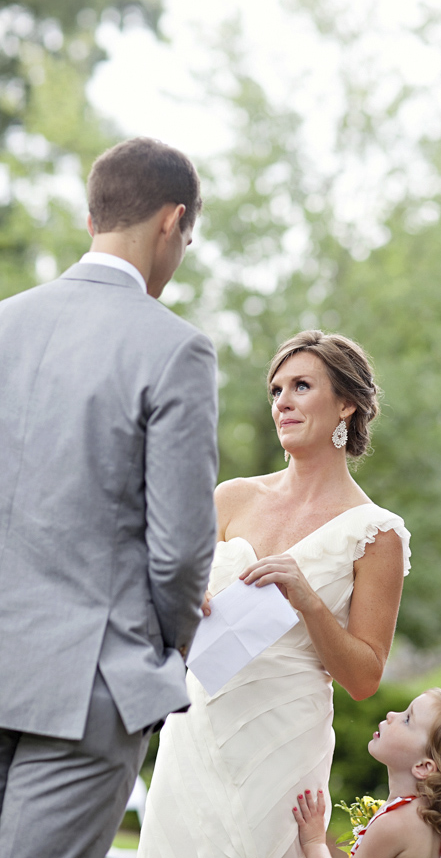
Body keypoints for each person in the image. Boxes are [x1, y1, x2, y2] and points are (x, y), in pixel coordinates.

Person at [0, 137, 219, 858]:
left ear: (93, 217)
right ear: (171, 221)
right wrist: (157, 656)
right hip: (92, 683)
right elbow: (182, 548)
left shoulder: (5, 323)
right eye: (187, 238)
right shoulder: (174, 348)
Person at [139, 329, 411, 858]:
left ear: (347, 406)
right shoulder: (231, 498)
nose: (282, 402)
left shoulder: (377, 534)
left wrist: (308, 601)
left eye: (302, 386)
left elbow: (364, 677)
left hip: (284, 744)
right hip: (196, 731)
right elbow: (162, 626)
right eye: (275, 390)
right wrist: (177, 607)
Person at [294, 688, 441, 858]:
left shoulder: (395, 824)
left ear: (424, 767)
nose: (392, 715)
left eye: (408, 719)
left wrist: (315, 843)